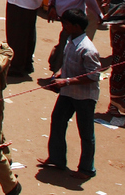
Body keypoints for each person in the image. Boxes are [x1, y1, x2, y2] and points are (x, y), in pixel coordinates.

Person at [40, 10, 102, 179]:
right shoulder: (70, 40)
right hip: (68, 93)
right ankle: (56, 158)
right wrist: (60, 74)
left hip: (84, 97)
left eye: (66, 23)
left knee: (86, 133)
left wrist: (66, 82)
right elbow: (68, 63)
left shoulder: (88, 49)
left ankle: (86, 168)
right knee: (58, 121)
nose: (63, 26)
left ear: (76, 26)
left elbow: (93, 77)